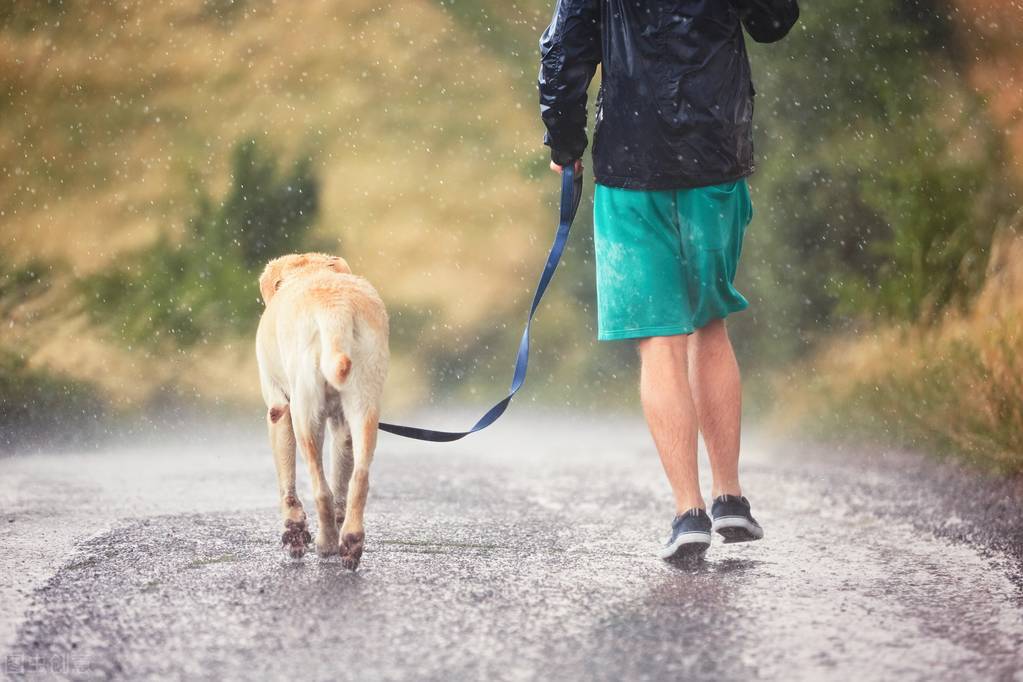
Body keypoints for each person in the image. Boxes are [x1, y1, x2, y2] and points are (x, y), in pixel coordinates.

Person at [538, 0, 799, 561]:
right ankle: (730, 496)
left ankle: (689, 512)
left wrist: (565, 144)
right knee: (710, 323)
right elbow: (774, 21)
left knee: (660, 338)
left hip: (633, 162)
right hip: (716, 153)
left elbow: (564, 50)